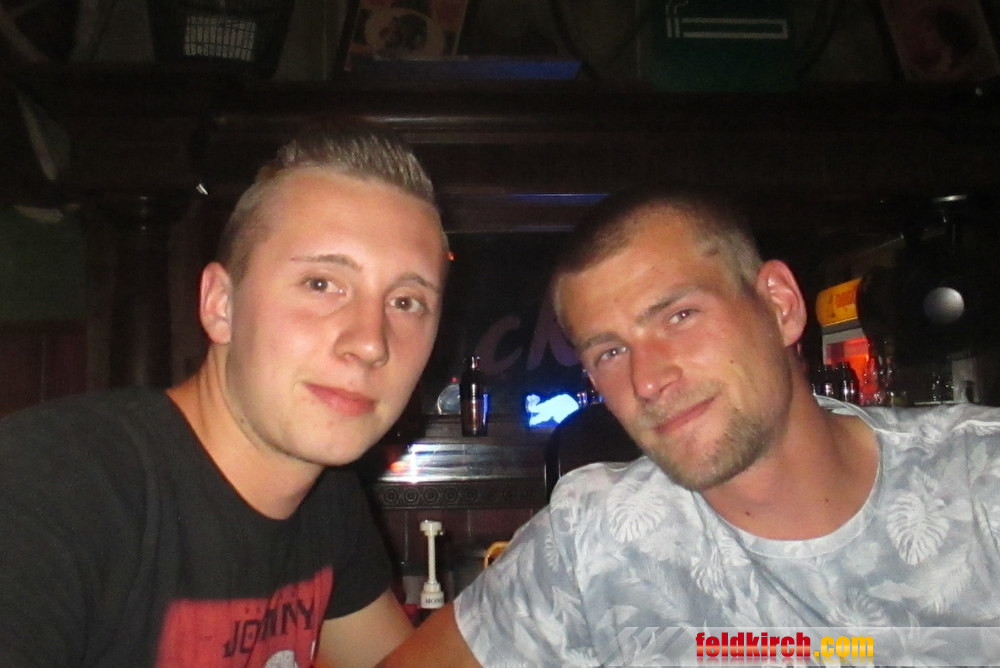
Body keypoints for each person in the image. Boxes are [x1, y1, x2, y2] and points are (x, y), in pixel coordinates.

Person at [379, 184, 1000, 667]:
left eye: (679, 316)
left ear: (779, 305)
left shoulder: (981, 482)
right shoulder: (590, 538)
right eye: (610, 351)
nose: (647, 381)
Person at [0, 121, 450, 667]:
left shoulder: (325, 500)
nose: (371, 343)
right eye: (321, 284)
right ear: (221, 304)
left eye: (406, 302)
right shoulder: (46, 489)